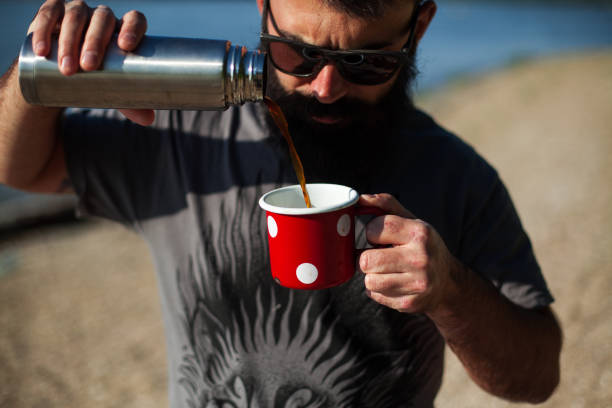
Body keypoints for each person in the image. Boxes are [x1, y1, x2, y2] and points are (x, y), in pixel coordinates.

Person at [0, 0, 562, 406]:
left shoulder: (456, 176)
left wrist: (451, 291)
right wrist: (45, 69)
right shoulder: (177, 131)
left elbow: (536, 377)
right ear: (263, 8)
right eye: (296, 54)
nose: (325, 87)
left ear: (420, 25)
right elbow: (22, 169)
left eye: (366, 62)